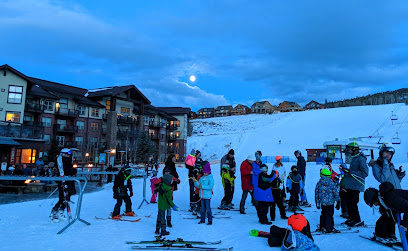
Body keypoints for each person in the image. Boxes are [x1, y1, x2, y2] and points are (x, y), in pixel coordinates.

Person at [369, 145, 405, 242]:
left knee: (393, 215)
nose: (388, 155)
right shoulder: (376, 165)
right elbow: (382, 179)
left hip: (397, 192)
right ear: (381, 153)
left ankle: (390, 234)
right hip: (387, 194)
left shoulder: (390, 165)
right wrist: (385, 164)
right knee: (388, 214)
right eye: (386, 153)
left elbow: (392, 181)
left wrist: (399, 177)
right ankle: (380, 233)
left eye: (390, 154)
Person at [342, 142, 369, 227]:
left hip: (356, 185)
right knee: (349, 202)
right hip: (351, 185)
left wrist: (351, 172)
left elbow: (365, 173)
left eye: (349, 149)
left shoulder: (360, 159)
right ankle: (351, 218)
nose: (348, 151)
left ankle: (356, 220)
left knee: (353, 203)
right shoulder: (354, 158)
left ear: (354, 149)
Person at [50, 149, 77, 223]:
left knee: (68, 198)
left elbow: (73, 170)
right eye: (67, 154)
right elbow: (65, 170)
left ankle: (61, 211)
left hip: (69, 181)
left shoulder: (70, 161)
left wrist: (73, 169)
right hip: (63, 181)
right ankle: (54, 212)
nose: (68, 156)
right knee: (62, 197)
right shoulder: (60, 161)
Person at [315, 168, 341, 233]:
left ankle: (322, 226)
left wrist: (317, 203)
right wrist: (338, 201)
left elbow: (316, 194)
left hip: (323, 202)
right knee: (329, 214)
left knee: (323, 213)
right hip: (330, 202)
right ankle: (329, 227)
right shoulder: (332, 183)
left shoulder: (319, 183)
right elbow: (335, 192)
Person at [270, 156, 288, 220]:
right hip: (274, 189)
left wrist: (283, 194)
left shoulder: (282, 166)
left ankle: (283, 215)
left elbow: (284, 173)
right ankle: (272, 217)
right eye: (280, 159)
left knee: (280, 203)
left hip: (280, 183)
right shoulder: (274, 166)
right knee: (273, 204)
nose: (281, 160)